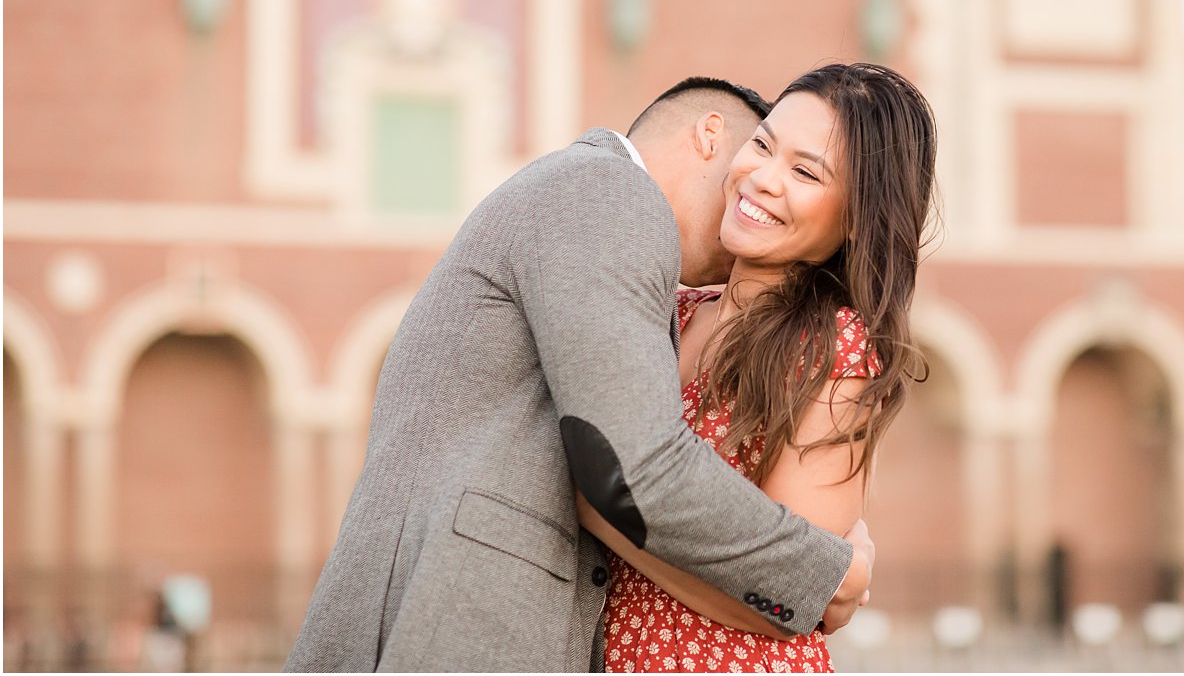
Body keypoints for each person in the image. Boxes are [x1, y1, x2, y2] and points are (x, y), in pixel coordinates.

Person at [284, 77, 874, 673]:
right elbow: (632, 466)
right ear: (710, 137)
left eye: (805, 173)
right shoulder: (611, 192)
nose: (750, 199)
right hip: (456, 617)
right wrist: (829, 572)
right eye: (759, 151)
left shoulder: (590, 217)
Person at [580, 63, 938, 673]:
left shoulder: (831, 348)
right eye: (764, 145)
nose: (762, 179)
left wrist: (601, 506)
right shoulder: (671, 309)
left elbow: (784, 599)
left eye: (804, 172)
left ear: (855, 218)